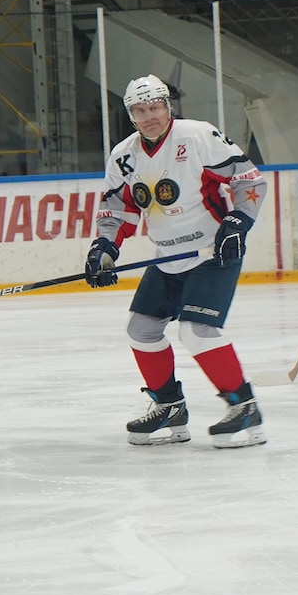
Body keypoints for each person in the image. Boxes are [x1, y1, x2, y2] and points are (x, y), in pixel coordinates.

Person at [87, 74, 269, 447]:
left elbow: (249, 180)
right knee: (141, 330)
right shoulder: (124, 155)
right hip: (168, 256)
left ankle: (244, 406)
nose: (149, 116)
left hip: (213, 251)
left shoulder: (197, 136)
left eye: (155, 107)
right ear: (131, 115)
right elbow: (117, 208)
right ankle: (169, 406)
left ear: (167, 106)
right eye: (140, 110)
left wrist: (238, 221)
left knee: (196, 330)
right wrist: (104, 248)